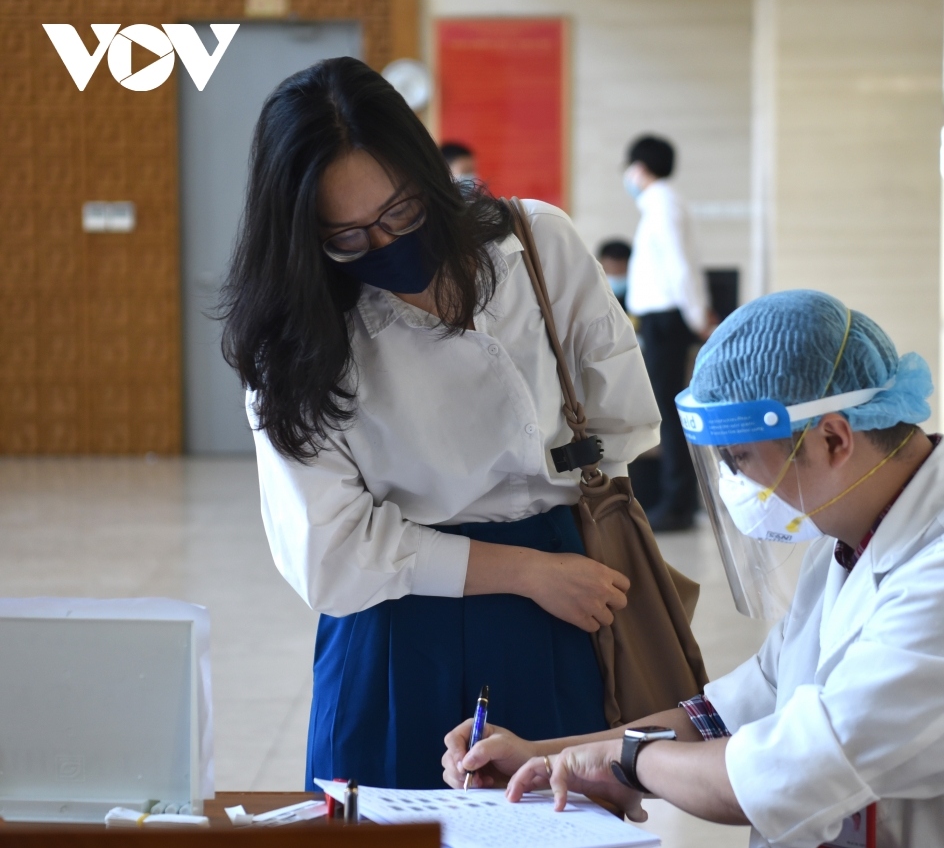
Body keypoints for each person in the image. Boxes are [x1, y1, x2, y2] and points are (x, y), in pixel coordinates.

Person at [442, 290, 944, 847]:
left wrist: (626, 761)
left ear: (833, 437)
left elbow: (785, 776)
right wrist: (545, 756)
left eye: (742, 462)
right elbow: (735, 711)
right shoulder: (856, 536)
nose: (738, 487)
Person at [220, 58, 661, 789]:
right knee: (389, 818)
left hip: (563, 600)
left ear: (429, 176)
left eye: (402, 213)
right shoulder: (293, 338)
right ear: (304, 238)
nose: (388, 245)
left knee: (554, 818)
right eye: (350, 238)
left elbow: (624, 420)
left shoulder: (538, 245)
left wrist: (563, 544)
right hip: (397, 623)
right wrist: (524, 569)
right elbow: (331, 554)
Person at [622, 134, 714, 532]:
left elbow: (680, 268)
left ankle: (677, 504)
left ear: (639, 168)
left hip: (667, 319)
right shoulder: (659, 204)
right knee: (668, 412)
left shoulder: (661, 205)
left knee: (671, 415)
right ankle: (675, 501)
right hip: (662, 319)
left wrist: (699, 317)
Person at [596, 239, 631, 311]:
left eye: (620, 271)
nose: (615, 277)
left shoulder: (644, 302)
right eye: (608, 270)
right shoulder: (590, 302)